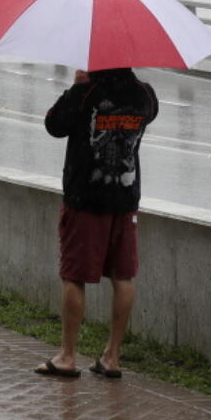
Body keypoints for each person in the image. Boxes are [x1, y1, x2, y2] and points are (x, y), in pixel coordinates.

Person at [35, 67, 158, 379]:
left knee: (74, 276)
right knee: (123, 275)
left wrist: (75, 88)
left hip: (86, 199)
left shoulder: (86, 92)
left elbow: (54, 124)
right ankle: (112, 356)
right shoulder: (145, 93)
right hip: (126, 198)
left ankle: (67, 356)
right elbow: (149, 117)